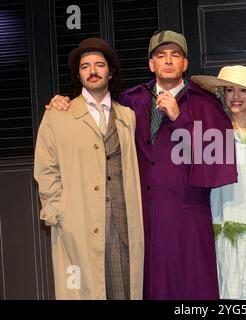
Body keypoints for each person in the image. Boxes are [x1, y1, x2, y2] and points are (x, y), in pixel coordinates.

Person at [47, 30, 238, 299]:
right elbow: (94, 115)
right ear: (151, 64)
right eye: (161, 56)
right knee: (145, 288)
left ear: (185, 63)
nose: (168, 61)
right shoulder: (131, 101)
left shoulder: (206, 103)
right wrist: (62, 100)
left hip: (188, 217)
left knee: (191, 289)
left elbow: (217, 159)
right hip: (141, 218)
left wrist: (179, 118)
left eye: (175, 55)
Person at [34, 38, 144, 299]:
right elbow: (46, 169)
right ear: (79, 73)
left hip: (122, 223)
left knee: (123, 291)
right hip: (77, 223)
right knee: (80, 291)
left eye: (99, 65)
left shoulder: (127, 116)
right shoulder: (58, 114)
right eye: (85, 66)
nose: (92, 70)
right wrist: (57, 210)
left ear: (110, 71)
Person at [191, 65, 246, 299]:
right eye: (230, 90)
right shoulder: (213, 133)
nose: (236, 97)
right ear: (222, 94)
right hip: (224, 219)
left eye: (243, 91)